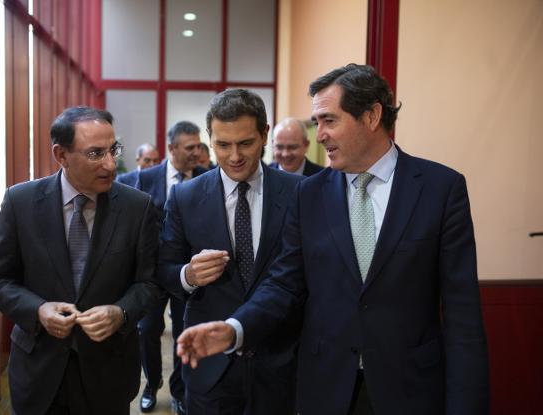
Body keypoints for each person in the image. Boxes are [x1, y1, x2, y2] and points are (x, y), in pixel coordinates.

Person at [176, 64, 490, 415]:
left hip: (410, 390)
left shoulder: (440, 189)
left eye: (329, 120)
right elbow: (284, 285)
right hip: (325, 390)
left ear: (371, 116)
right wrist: (235, 329)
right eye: (317, 123)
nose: (319, 134)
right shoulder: (308, 195)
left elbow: (463, 315)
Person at [0, 107, 161, 415]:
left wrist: (121, 312)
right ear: (61, 155)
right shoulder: (20, 202)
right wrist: (37, 310)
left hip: (107, 371)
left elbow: (150, 282)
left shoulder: (136, 207)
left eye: (113, 150)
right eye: (95, 153)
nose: (110, 163)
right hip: (39, 369)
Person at [158, 89, 303, 415]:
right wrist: (188, 275)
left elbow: (300, 278)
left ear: (265, 134)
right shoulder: (185, 197)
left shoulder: (298, 193)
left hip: (279, 365)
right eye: (223, 145)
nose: (234, 156)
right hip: (209, 368)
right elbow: (165, 271)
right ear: (210, 138)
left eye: (245, 143)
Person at [135, 121, 207, 414]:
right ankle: (152, 383)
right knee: (148, 329)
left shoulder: (206, 177)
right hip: (151, 274)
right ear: (172, 148)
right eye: (190, 147)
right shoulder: (147, 177)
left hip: (187, 274)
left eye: (199, 146)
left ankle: (179, 390)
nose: (197, 152)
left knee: (184, 331)